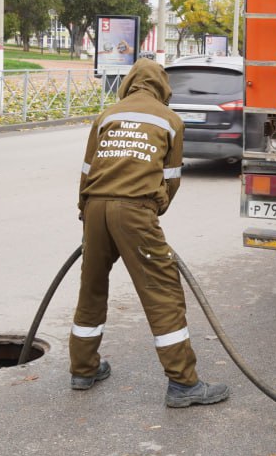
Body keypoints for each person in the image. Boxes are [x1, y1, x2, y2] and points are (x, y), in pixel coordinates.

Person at [71, 58, 230, 408]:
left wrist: (87, 213)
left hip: (95, 207)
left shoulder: (107, 115)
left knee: (91, 286)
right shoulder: (169, 120)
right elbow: (171, 179)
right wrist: (152, 211)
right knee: (162, 292)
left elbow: (87, 170)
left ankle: (83, 369)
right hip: (134, 211)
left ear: (129, 83)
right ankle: (184, 384)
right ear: (163, 87)